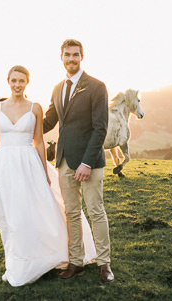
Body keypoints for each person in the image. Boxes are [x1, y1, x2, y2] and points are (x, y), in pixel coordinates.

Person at [0, 65, 96, 287]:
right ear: (7, 81)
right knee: (9, 215)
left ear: (27, 82)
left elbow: (38, 141)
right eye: (14, 80)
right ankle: (17, 260)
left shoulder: (35, 108)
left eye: (21, 81)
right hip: (4, 166)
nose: (17, 84)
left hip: (28, 164)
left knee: (29, 213)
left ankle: (37, 259)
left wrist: (43, 170)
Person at [43, 38, 114, 282]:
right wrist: (17, 119)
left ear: (82, 57)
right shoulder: (57, 88)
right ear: (61, 58)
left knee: (95, 211)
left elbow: (100, 128)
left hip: (90, 161)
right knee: (71, 212)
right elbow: (48, 122)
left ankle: (104, 264)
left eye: (75, 55)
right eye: (67, 55)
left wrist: (86, 162)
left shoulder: (96, 87)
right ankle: (76, 262)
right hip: (63, 160)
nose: (71, 59)